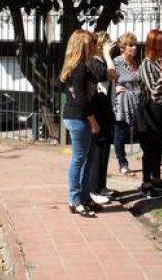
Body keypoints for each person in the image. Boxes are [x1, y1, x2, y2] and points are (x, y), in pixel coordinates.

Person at [58, 30, 102, 217]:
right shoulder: (80, 69)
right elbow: (83, 100)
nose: (95, 46)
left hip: (75, 115)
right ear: (83, 45)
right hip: (79, 118)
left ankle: (84, 197)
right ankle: (75, 200)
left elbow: (60, 86)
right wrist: (93, 122)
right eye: (92, 43)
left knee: (87, 160)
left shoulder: (74, 66)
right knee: (79, 160)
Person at [137, 29, 162, 199]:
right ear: (156, 45)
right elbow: (155, 90)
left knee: (160, 145)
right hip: (150, 110)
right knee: (150, 147)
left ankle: (157, 179)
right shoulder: (146, 64)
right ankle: (146, 184)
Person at [86, 31, 118, 206]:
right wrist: (106, 53)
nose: (111, 44)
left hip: (107, 109)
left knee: (105, 149)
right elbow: (111, 74)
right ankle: (93, 189)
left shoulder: (103, 61)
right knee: (97, 150)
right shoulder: (93, 62)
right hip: (97, 111)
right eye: (107, 42)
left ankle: (101, 185)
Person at [112, 32, 141, 175]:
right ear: (122, 48)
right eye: (130, 45)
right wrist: (115, 89)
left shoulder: (137, 62)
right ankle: (122, 163)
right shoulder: (116, 62)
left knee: (144, 133)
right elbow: (108, 80)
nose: (134, 48)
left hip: (138, 101)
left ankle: (155, 162)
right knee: (121, 134)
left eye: (135, 45)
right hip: (122, 103)